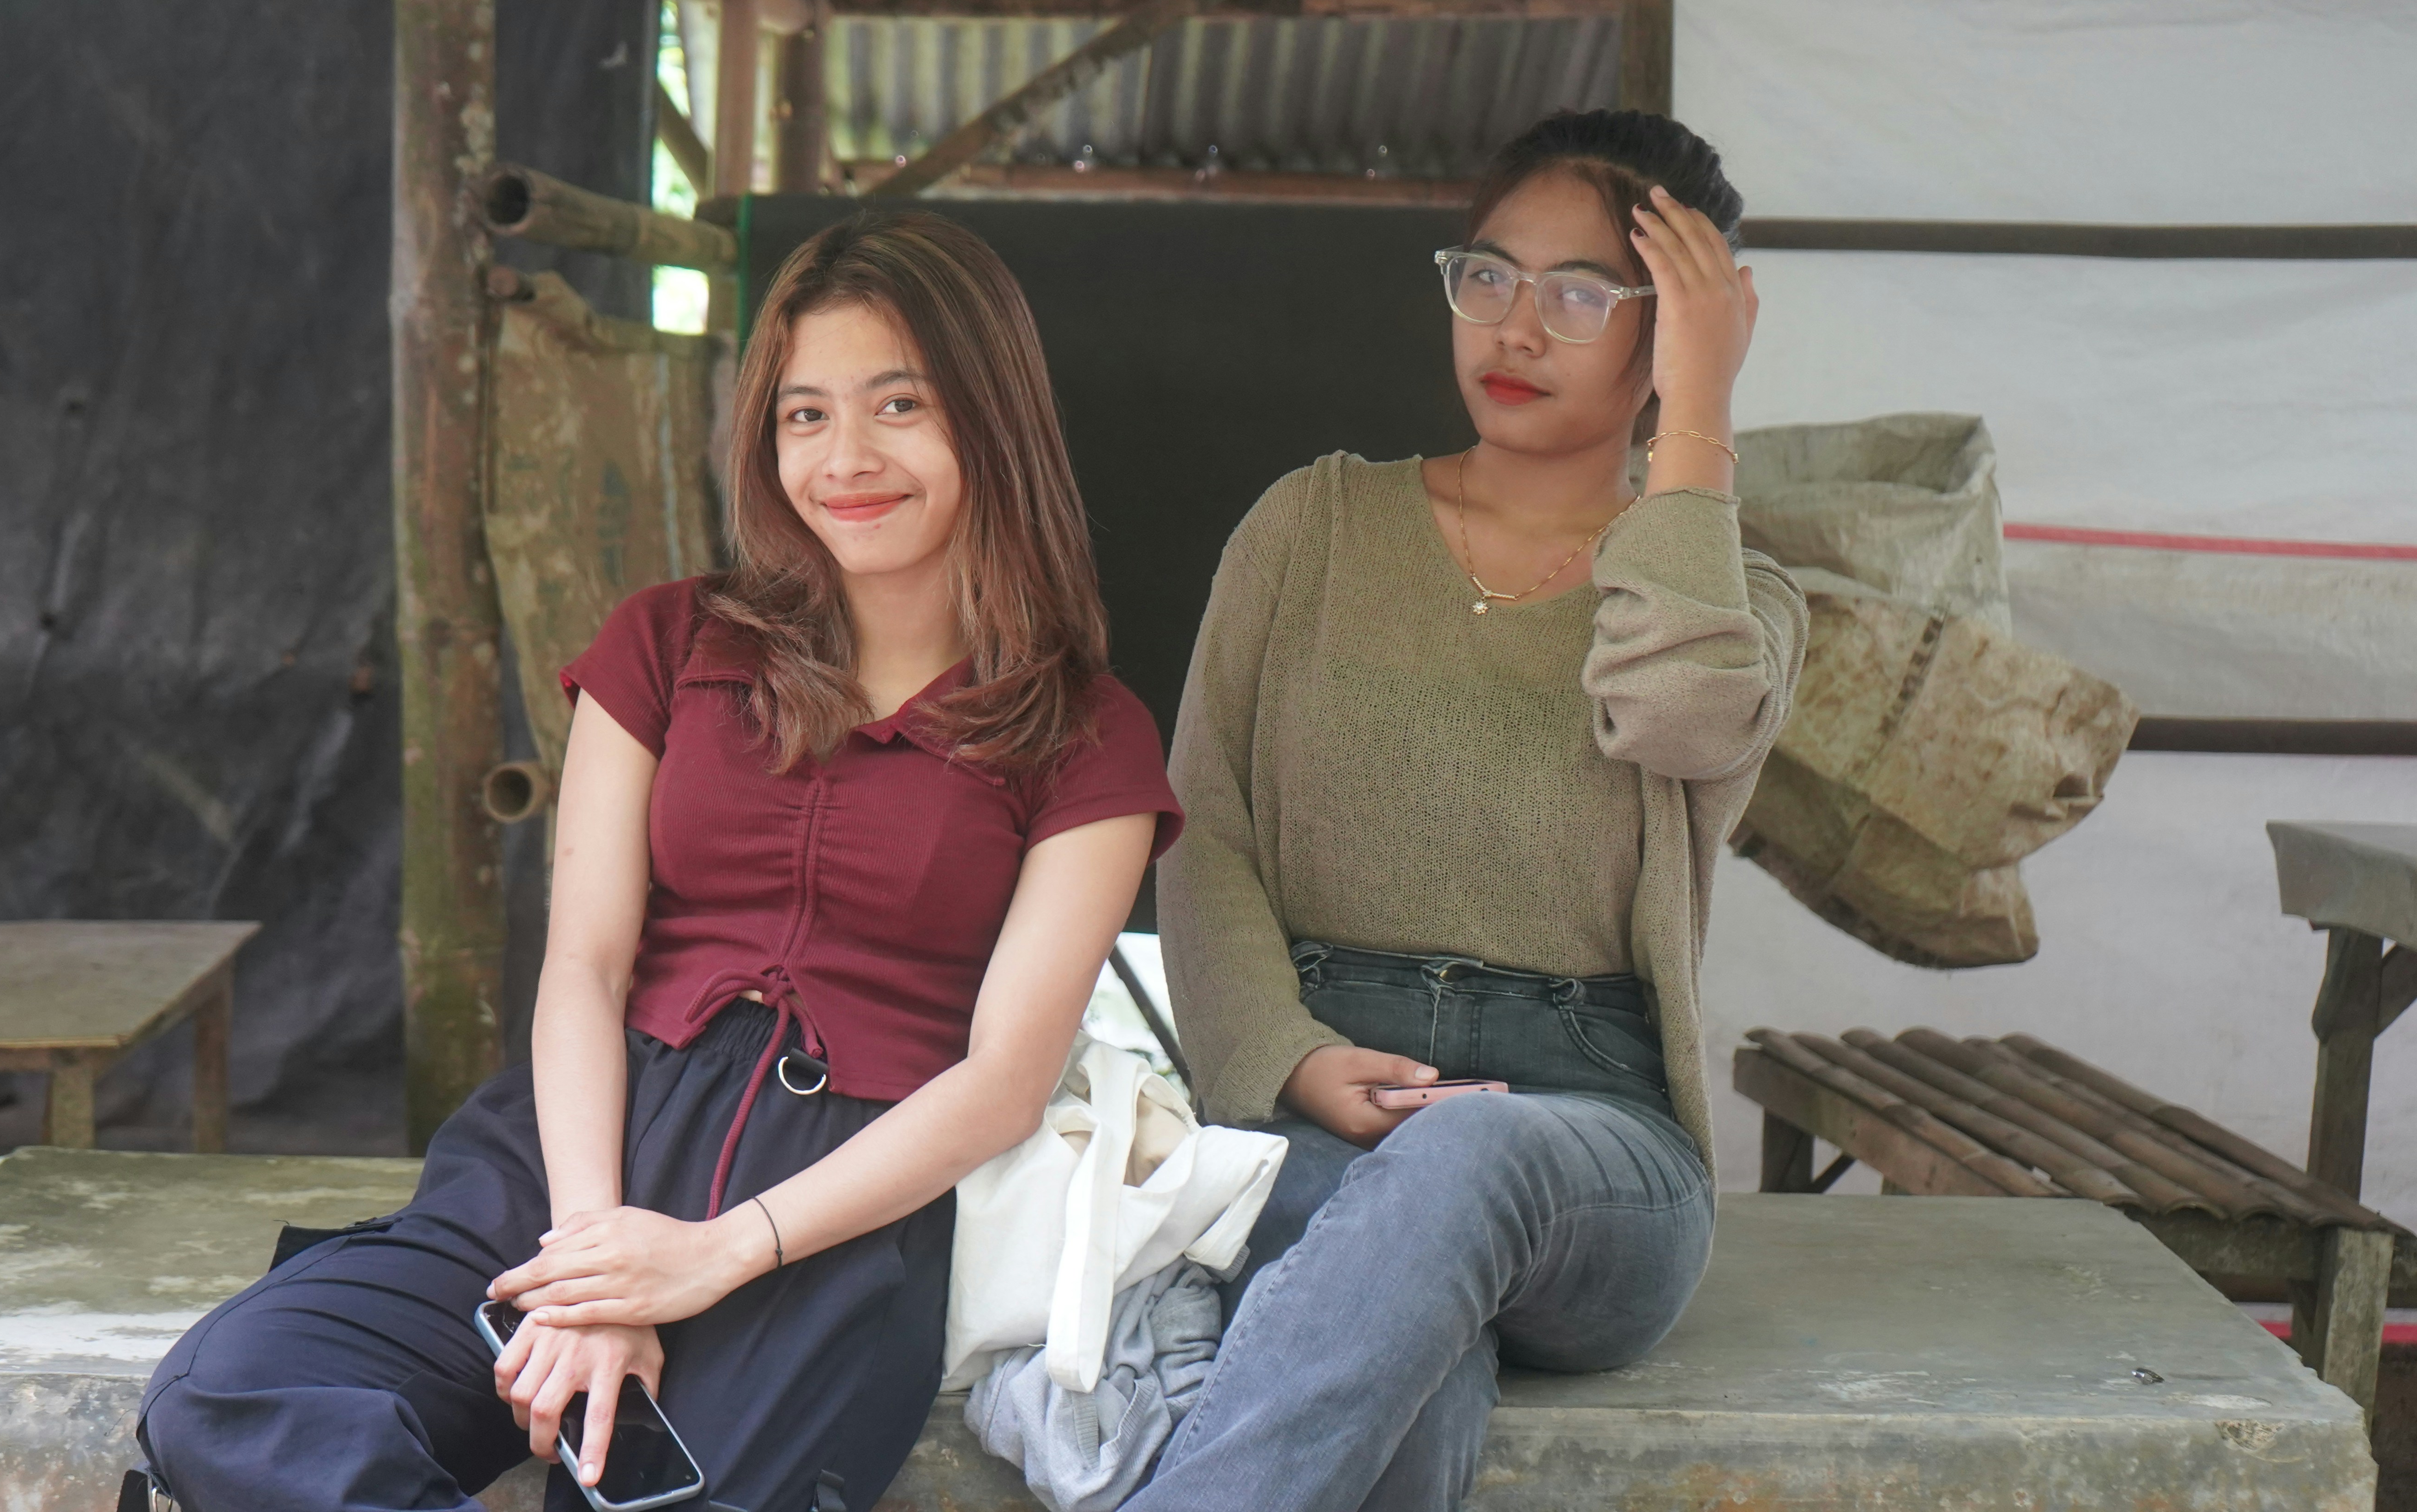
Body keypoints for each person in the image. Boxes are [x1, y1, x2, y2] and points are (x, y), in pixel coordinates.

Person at [134, 210, 1180, 1512]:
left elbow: (1004, 1081)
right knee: (231, 1397)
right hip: (577, 1148)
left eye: (899, 405)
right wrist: (595, 1263)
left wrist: (709, 1257)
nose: (846, 458)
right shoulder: (672, 644)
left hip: (827, 1219)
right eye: (804, 415)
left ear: (994, 416)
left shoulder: (1088, 735)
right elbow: (584, 964)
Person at [1129, 109, 1806, 1512]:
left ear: (1677, 331)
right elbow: (1204, 832)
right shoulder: (1311, 528)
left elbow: (1680, 719)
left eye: (1583, 295)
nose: (1516, 327)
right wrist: (1290, 1060)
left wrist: (1699, 418)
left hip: (1591, 1146)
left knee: (1459, 1165)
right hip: (1316, 1107)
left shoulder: (1735, 606)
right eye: (1488, 276)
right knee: (1413, 1356)